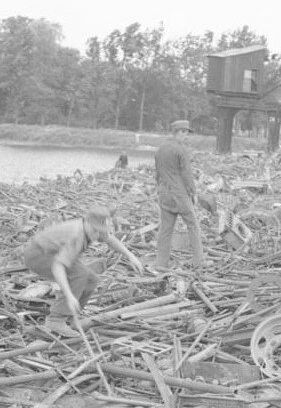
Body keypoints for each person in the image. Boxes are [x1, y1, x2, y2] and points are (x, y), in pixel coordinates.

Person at [23, 206, 143, 335]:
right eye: (96, 231)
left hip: (54, 252)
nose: (98, 235)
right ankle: (56, 320)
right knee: (80, 275)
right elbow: (58, 266)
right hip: (39, 254)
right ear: (88, 223)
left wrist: (131, 256)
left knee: (91, 280)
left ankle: (71, 316)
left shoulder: (94, 228)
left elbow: (109, 238)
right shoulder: (76, 235)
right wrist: (69, 296)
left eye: (100, 231)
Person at [154, 119, 205, 270]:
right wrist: (193, 193)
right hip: (180, 195)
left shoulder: (160, 149)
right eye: (185, 133)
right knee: (193, 226)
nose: (187, 136)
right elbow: (186, 174)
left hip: (164, 194)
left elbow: (158, 174)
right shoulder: (181, 150)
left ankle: (161, 264)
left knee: (166, 229)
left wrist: (159, 189)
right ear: (179, 132)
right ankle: (198, 263)